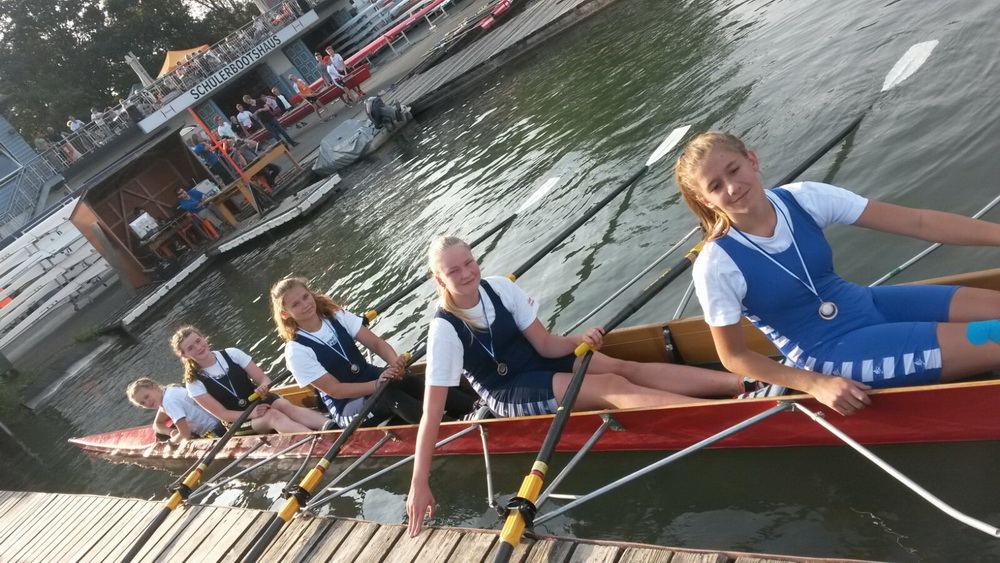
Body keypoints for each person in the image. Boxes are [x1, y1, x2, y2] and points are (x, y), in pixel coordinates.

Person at [405, 236, 744, 535]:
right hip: (508, 390)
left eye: (469, 262)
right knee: (611, 386)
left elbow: (545, 344)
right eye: (454, 271)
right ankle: (730, 415)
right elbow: (432, 413)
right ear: (440, 279)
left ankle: (742, 383)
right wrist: (419, 481)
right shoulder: (444, 330)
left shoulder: (499, 288)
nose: (466, 273)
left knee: (623, 368)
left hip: (538, 359)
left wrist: (579, 339)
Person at [674, 131, 1000, 417]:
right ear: (706, 200)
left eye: (734, 169)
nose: (732, 187)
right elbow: (734, 356)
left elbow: (919, 222)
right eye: (716, 186)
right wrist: (815, 384)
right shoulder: (716, 264)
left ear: (752, 160)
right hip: (831, 352)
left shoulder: (805, 198)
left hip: (867, 302)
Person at [270, 277, 475, 428]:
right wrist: (377, 384)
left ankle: (473, 407)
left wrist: (396, 364)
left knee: (408, 380)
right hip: (347, 406)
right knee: (388, 395)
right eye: (296, 304)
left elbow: (376, 344)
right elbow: (335, 390)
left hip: (373, 380)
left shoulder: (336, 316)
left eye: (305, 297)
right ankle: (452, 428)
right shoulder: (296, 351)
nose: (305, 304)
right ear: (285, 313)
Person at [171, 326, 331, 434]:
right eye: (190, 348)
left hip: (259, 401)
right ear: (184, 355)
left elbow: (263, 379)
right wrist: (252, 414)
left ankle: (330, 426)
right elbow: (223, 414)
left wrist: (263, 387)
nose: (198, 348)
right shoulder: (193, 383)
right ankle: (317, 440)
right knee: (273, 415)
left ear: (203, 338)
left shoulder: (232, 354)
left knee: (284, 406)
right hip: (237, 420)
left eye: (198, 341)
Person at [127, 377, 225, 444]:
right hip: (221, 422)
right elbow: (157, 425)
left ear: (155, 388)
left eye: (147, 396)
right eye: (142, 403)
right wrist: (170, 432)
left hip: (217, 431)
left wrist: (170, 443)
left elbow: (185, 434)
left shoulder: (169, 402)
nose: (147, 403)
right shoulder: (170, 390)